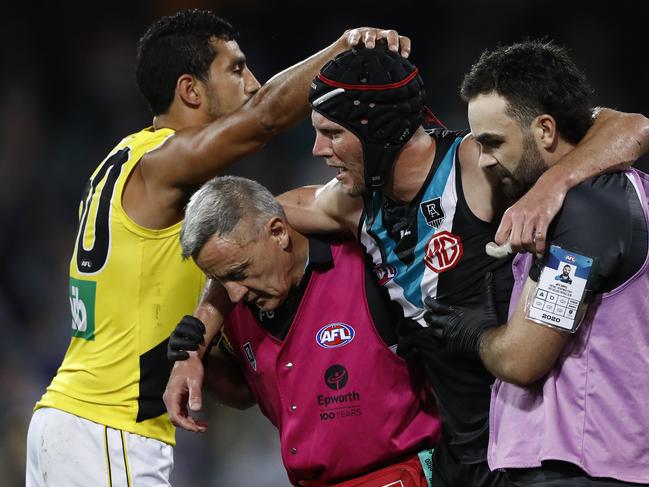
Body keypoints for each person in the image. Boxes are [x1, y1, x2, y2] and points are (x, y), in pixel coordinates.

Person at [25, 9, 409, 486]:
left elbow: (237, 388)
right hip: (110, 426)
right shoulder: (164, 163)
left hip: (71, 420)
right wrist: (343, 51)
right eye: (236, 69)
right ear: (190, 90)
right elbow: (264, 118)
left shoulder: (124, 161)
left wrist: (201, 346)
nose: (252, 83)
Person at [274, 46, 649, 486]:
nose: (318, 149)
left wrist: (551, 185)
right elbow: (244, 219)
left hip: (562, 458)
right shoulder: (351, 205)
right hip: (476, 454)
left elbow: (632, 126)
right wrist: (205, 321)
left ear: (376, 129)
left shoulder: (503, 177)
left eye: (332, 133)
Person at [425, 40, 649, 486]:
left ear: (545, 130)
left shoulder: (584, 210)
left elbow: (524, 358)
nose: (484, 160)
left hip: (580, 466)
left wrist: (475, 333)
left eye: (492, 143)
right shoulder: (604, 196)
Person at [165, 175, 441, 486]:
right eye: (219, 280)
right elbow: (245, 393)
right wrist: (201, 362)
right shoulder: (237, 304)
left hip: (399, 474)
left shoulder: (365, 262)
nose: (233, 293)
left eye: (238, 272)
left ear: (278, 232)